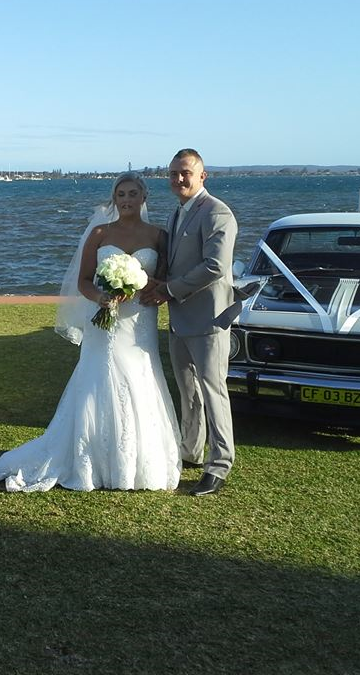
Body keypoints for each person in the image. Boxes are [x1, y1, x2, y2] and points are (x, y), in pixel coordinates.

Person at [0, 172, 182, 491]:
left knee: (140, 375)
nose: (126, 200)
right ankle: (91, 459)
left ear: (144, 197)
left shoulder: (159, 236)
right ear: (114, 199)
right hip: (104, 320)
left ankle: (136, 463)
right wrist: (102, 297)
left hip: (139, 321)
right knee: (98, 378)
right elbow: (83, 280)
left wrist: (142, 285)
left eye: (132, 193)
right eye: (121, 194)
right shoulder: (100, 233)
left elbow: (164, 279)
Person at [140, 149, 239, 496]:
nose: (179, 179)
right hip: (179, 317)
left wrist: (169, 289)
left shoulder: (217, 212)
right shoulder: (177, 213)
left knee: (213, 391)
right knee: (188, 390)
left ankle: (219, 464)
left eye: (185, 173)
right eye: (173, 173)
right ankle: (191, 449)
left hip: (209, 319)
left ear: (202, 176)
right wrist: (156, 282)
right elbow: (177, 261)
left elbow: (215, 266)